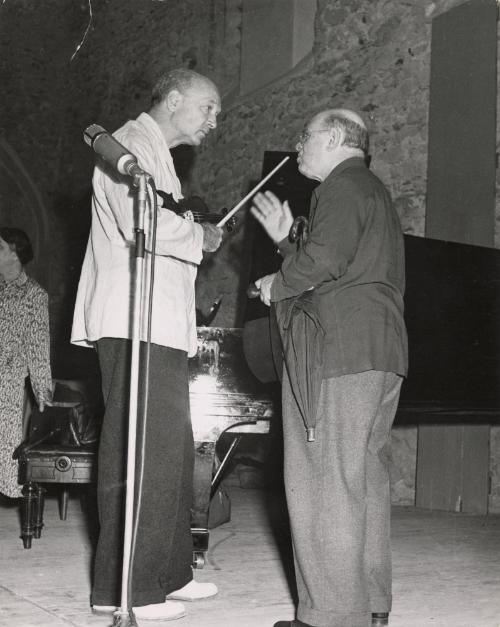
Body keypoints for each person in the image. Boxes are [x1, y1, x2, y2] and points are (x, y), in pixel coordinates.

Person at [71, 68, 223, 622]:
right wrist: (201, 237)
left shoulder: (158, 154)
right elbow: (146, 222)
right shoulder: (130, 144)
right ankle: (126, 590)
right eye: (208, 107)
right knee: (139, 450)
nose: (213, 121)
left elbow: (166, 218)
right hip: (133, 321)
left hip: (159, 324)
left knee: (169, 450)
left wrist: (192, 224)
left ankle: (169, 573)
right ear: (175, 98)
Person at [250, 110, 408, 627]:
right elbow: (340, 263)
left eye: (306, 135)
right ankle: (369, 606)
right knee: (361, 478)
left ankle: (332, 617)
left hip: (337, 353)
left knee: (323, 482)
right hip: (378, 352)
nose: (299, 145)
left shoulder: (339, 187)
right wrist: (285, 243)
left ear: (335, 137)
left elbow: (321, 265)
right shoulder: (370, 190)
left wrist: (277, 279)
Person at [0, 227, 52, 499]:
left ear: (15, 254)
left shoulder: (34, 295)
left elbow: (38, 349)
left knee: (5, 453)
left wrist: (43, 393)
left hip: (7, 387)